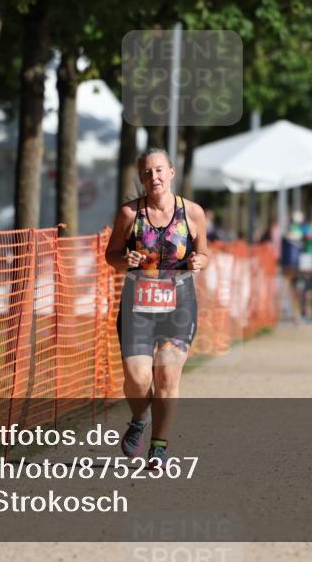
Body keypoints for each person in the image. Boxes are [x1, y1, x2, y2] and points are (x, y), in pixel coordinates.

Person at [104, 148, 208, 466]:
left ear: (172, 173)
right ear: (141, 177)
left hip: (179, 305)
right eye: (148, 173)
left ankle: (158, 447)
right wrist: (126, 260)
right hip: (138, 305)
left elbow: (204, 253)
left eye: (160, 170)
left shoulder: (192, 213)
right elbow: (112, 256)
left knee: (166, 375)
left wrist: (197, 261)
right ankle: (140, 418)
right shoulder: (129, 214)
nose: (154, 177)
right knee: (137, 379)